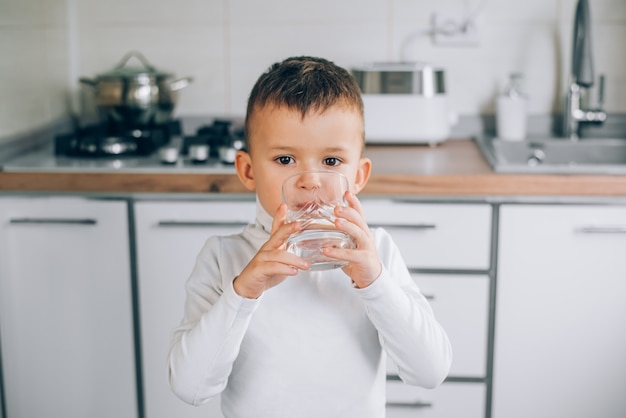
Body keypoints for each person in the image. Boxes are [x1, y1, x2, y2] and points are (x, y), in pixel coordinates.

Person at [168, 56, 452, 418]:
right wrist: (243, 292)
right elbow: (190, 388)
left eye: (331, 162)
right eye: (286, 160)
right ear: (248, 170)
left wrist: (375, 282)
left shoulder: (376, 252)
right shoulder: (224, 259)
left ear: (359, 175)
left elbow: (430, 371)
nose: (311, 180)